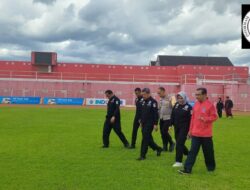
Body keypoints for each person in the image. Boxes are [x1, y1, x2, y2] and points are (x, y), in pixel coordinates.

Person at [179, 88, 218, 174]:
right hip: (195, 133)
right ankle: (187, 169)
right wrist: (190, 130)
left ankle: (211, 168)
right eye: (196, 95)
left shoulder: (210, 105)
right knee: (192, 152)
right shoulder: (196, 104)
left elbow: (215, 117)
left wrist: (206, 119)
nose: (196, 96)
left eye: (198, 95)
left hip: (206, 135)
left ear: (204, 95)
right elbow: (192, 118)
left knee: (208, 152)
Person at [137, 88, 163, 160]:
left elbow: (155, 114)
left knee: (145, 138)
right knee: (148, 138)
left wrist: (155, 124)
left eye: (144, 94)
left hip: (150, 123)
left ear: (148, 94)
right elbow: (141, 112)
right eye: (142, 95)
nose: (143, 96)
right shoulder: (142, 101)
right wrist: (140, 121)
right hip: (143, 123)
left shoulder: (153, 102)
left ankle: (142, 155)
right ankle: (158, 148)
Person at [171, 92, 192, 167]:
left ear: (185, 98)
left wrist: (190, 131)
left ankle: (178, 161)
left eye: (181, 98)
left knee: (179, 143)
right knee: (179, 142)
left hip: (185, 128)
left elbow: (191, 120)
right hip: (177, 127)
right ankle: (188, 154)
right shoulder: (176, 105)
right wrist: (170, 124)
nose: (180, 100)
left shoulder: (189, 107)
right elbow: (173, 115)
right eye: (179, 98)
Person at [157, 87, 175, 152]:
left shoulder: (171, 98)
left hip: (168, 118)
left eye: (159, 93)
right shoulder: (160, 99)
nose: (158, 94)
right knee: (162, 133)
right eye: (158, 93)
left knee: (165, 131)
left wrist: (173, 120)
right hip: (161, 118)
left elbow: (174, 108)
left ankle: (172, 142)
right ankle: (165, 146)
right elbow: (159, 109)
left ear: (163, 91)